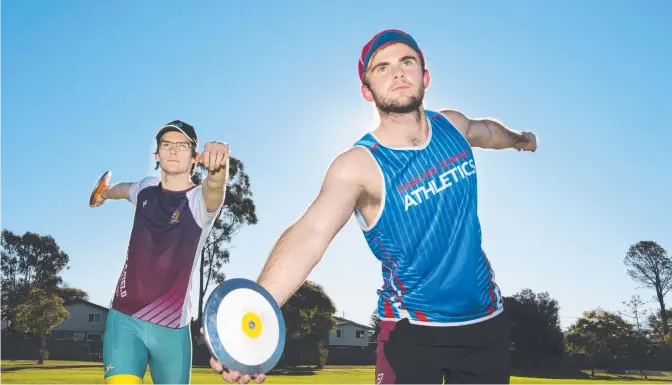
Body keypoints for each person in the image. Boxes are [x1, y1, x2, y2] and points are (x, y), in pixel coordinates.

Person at [210, 29, 537, 384]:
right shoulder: (359, 165)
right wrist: (256, 314)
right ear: (367, 90)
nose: (397, 73)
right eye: (382, 68)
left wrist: (519, 140)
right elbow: (310, 234)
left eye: (406, 62)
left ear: (424, 76)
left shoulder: (452, 126)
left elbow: (486, 131)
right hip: (410, 331)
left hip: (484, 324)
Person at [92, 120, 229, 384]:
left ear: (195, 156)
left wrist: (219, 168)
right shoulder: (146, 188)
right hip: (124, 319)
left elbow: (215, 188)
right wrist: (105, 194)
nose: (174, 150)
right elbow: (124, 190)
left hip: (172, 330)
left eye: (182, 145)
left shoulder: (199, 202)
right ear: (157, 154)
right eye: (166, 144)